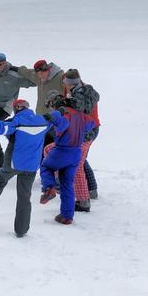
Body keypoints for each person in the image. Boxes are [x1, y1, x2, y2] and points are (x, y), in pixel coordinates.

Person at [0, 99, 52, 237]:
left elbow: (3, 127)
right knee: (24, 197)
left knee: (0, 180)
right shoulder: (43, 120)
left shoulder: (17, 122)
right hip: (31, 166)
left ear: (17, 108)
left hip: (14, 163)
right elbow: (55, 119)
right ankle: (21, 230)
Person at [39, 91, 95, 225]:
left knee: (45, 166)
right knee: (67, 184)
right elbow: (91, 124)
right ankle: (67, 216)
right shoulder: (81, 115)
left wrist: (51, 119)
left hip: (63, 150)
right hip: (76, 152)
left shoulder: (61, 112)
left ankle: (49, 188)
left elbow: (61, 123)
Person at [0, 53, 34, 175]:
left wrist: (21, 70)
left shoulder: (14, 76)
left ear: (5, 63)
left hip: (4, 108)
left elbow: (34, 81)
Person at [62, 68, 101, 211]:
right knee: (82, 161)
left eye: (65, 83)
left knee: (77, 165)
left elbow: (79, 107)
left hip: (86, 132)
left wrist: (65, 102)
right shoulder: (85, 90)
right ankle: (92, 190)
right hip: (91, 129)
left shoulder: (80, 96)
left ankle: (83, 201)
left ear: (70, 83)